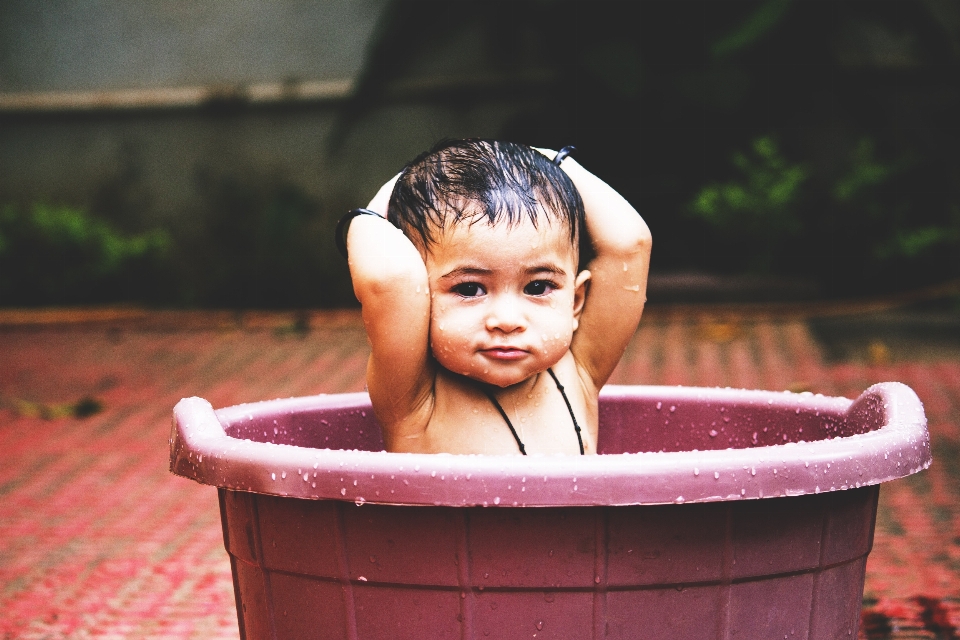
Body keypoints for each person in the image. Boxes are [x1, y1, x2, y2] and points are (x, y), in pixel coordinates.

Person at [341, 139, 650, 455]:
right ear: (422, 303)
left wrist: (550, 159)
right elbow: (391, 280)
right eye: (469, 289)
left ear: (575, 302)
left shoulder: (579, 371)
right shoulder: (415, 396)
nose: (507, 321)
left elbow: (630, 244)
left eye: (537, 287)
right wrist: (373, 210)